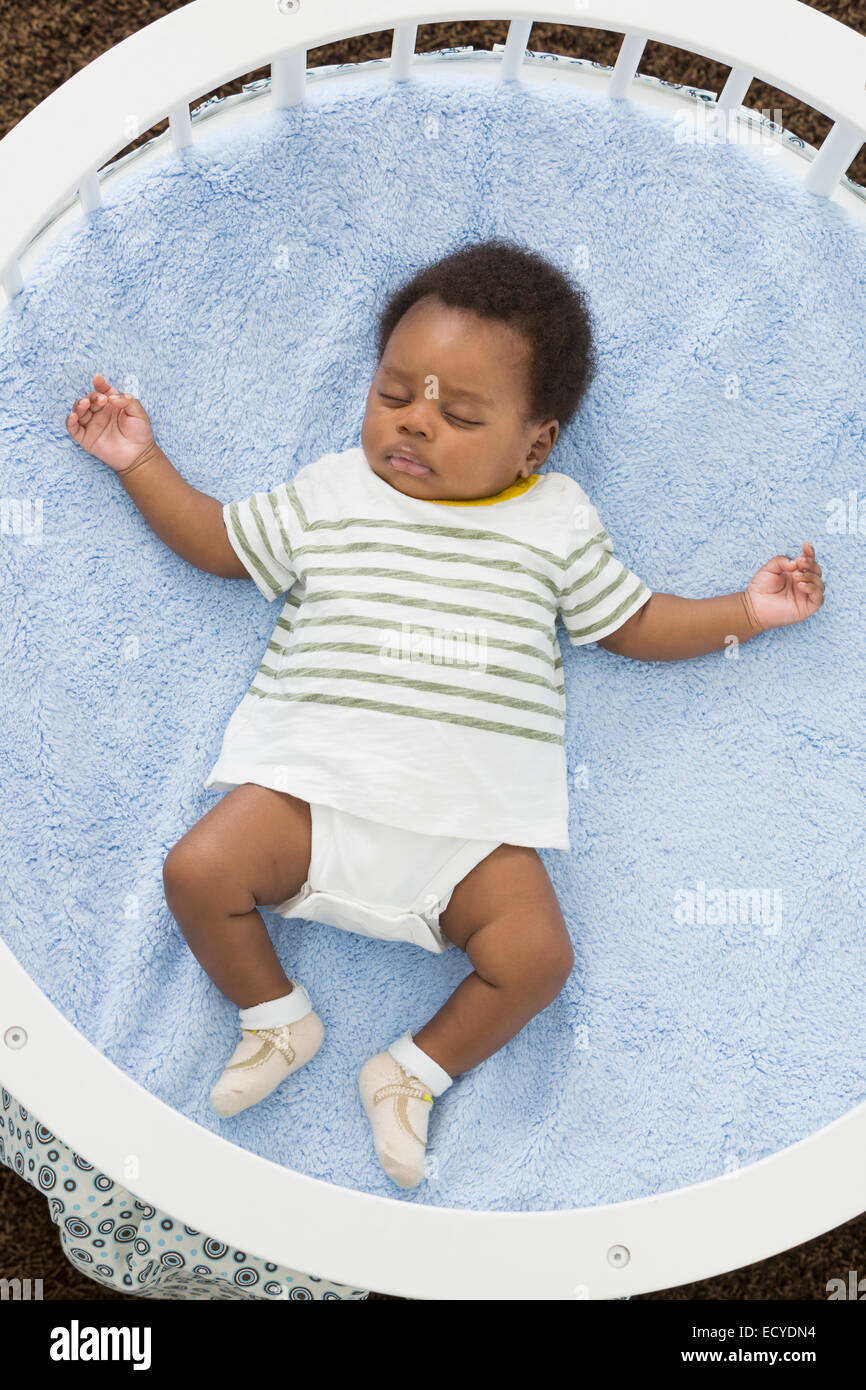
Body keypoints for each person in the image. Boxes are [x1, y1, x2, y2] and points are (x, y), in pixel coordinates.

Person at [65, 239, 824, 1189]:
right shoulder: (335, 492)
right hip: (313, 799)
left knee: (539, 959)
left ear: (534, 444)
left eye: (459, 413)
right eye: (394, 397)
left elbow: (631, 622)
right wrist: (139, 461)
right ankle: (275, 1018)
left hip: (470, 837)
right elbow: (221, 542)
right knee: (198, 867)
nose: (415, 425)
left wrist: (746, 612)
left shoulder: (553, 523)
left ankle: (413, 1072)